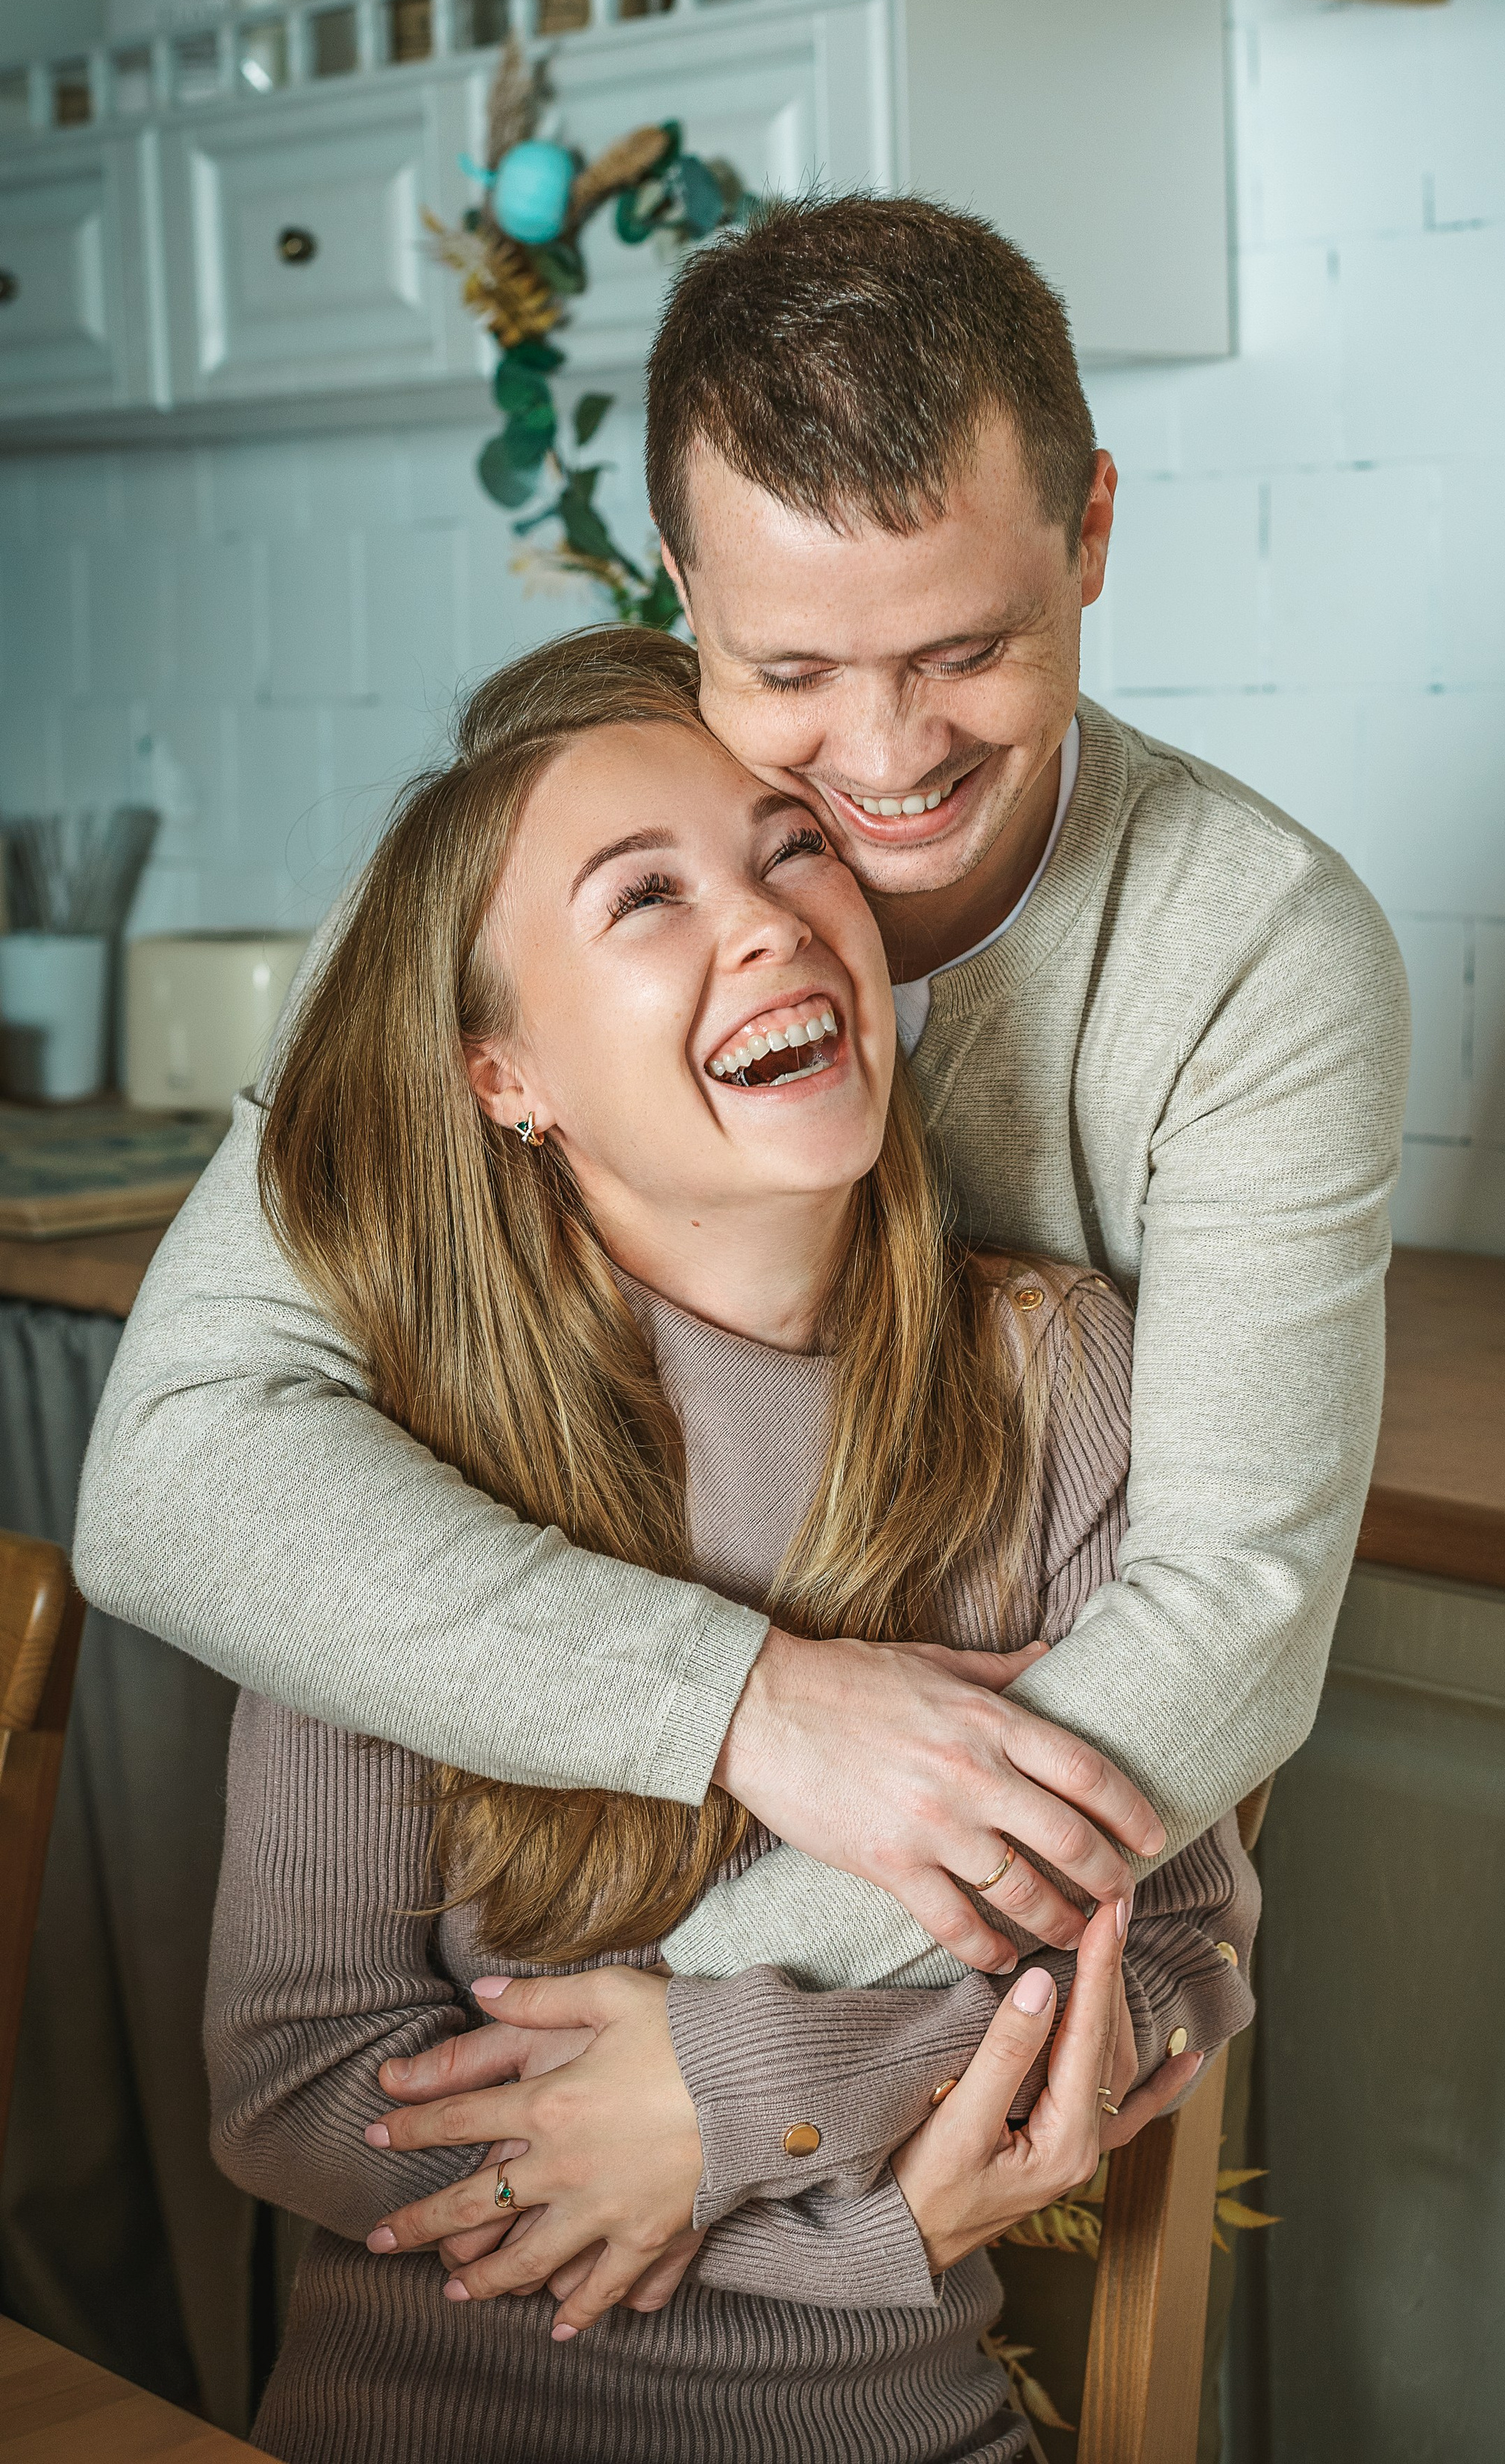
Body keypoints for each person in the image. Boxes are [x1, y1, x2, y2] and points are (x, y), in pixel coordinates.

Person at [78, 190, 1407, 2077]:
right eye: (787, 673)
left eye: (962, 650)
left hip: (892, 2033)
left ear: (1090, 531)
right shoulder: (508, 868)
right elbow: (176, 1476)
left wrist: (700, 2058)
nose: (876, 764)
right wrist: (751, 1707)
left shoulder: (1256, 950)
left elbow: (1225, 1623)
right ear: (682, 591)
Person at [206, 628, 1256, 2464]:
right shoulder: (387, 1466)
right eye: (644, 898)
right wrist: (862, 2222)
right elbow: (298, 2073)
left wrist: (726, 2099)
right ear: (502, 1074)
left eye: (789, 848)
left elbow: (1161, 1955)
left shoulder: (1061, 1380)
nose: (765, 920)